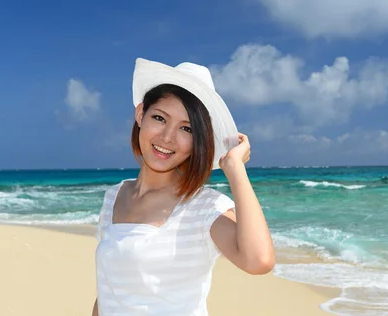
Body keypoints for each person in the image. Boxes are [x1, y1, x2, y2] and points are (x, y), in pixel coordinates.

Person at [92, 58, 275, 315]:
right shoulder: (115, 196)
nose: (167, 138)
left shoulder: (203, 207)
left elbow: (259, 261)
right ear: (140, 114)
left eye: (186, 128)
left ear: (199, 140)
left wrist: (234, 168)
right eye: (159, 118)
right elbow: (108, 294)